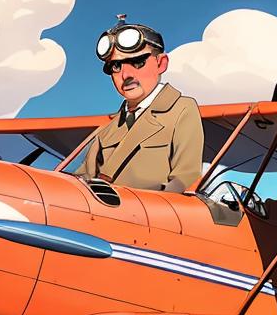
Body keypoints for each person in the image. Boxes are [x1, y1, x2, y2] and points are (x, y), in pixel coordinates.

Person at [76, 16, 204, 192]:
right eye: (116, 66)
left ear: (161, 63)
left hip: (151, 215)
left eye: (138, 62)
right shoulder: (107, 130)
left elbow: (187, 176)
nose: (126, 74)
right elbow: (82, 179)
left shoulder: (182, 109)